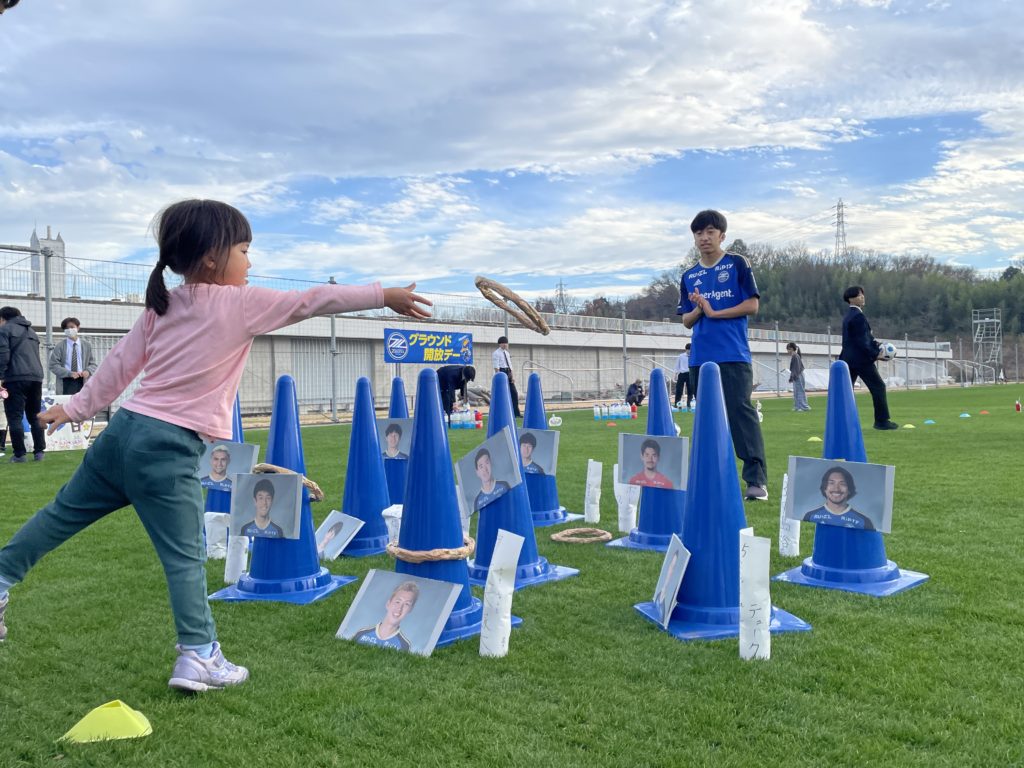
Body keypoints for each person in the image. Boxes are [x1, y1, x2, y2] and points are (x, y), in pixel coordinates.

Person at [0, 199, 430, 690]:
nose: (250, 261)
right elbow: (312, 300)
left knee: (58, 517)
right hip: (168, 446)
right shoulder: (239, 304)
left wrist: (76, 408)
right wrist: (383, 294)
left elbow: (120, 363)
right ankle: (200, 655)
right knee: (185, 556)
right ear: (211, 257)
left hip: (121, 436)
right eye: (243, 250)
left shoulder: (163, 305)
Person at [677, 209, 768, 501]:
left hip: (733, 354)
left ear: (722, 235)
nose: (704, 238)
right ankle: (711, 476)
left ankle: (756, 480)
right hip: (699, 358)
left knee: (741, 413)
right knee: (707, 418)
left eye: (710, 232)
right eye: (699, 233)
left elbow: (752, 306)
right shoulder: (689, 275)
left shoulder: (737, 263)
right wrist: (699, 308)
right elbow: (686, 320)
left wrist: (715, 312)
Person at [839, 286, 898, 430]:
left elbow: (857, 340)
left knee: (846, 391)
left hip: (847, 359)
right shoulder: (858, 316)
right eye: (859, 295)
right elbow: (863, 340)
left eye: (862, 294)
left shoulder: (848, 316)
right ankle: (882, 421)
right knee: (878, 387)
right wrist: (876, 354)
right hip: (861, 360)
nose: (862, 297)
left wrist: (875, 346)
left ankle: (842, 422)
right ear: (850, 299)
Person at [0, 306, 46, 463]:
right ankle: (39, 452)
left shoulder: (4, 330)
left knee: (15, 416)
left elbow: (3, 355)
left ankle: (19, 454)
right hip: (36, 377)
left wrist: (0, 376)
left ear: (2, 318)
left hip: (15, 377)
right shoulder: (32, 332)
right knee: (35, 415)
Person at [802, 466, 875, 530]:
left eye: (842, 484)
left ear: (849, 489)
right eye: (831, 483)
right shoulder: (810, 516)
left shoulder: (864, 522)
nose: (836, 488)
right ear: (825, 488)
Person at [352, 581, 418, 651]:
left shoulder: (404, 645)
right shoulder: (362, 633)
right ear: (388, 604)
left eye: (406, 604)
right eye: (397, 602)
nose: (399, 608)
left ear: (410, 609)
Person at [47, 317, 97, 396]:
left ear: (78, 327)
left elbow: (93, 364)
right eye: (66, 328)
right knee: (66, 402)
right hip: (66, 381)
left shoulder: (87, 345)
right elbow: (53, 365)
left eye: (72, 327)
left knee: (83, 402)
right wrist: (69, 373)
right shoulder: (60, 346)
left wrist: (88, 371)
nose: (69, 330)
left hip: (83, 381)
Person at [473, 448, 511, 512]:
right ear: (477, 472)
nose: (485, 469)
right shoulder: (477, 501)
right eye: (481, 466)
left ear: (491, 463)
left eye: (487, 463)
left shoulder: (504, 486)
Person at [492, 336, 521, 418]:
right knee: (502, 393)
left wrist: (512, 376)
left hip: (508, 372)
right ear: (500, 344)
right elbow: (496, 367)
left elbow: (510, 365)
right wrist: (499, 377)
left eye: (506, 343)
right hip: (501, 371)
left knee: (514, 393)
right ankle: (502, 413)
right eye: (503, 343)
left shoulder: (507, 353)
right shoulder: (496, 353)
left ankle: (516, 413)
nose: (505, 345)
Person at [787, 342, 811, 412]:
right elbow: (794, 368)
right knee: (796, 391)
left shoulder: (795, 356)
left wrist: (792, 377)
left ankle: (803, 407)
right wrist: (792, 377)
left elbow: (796, 368)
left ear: (791, 349)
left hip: (798, 375)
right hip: (797, 375)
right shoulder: (795, 356)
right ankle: (797, 406)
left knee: (800, 391)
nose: (787, 351)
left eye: (788, 349)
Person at [673, 343, 692, 410]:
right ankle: (677, 404)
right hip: (682, 374)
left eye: (691, 350)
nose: (689, 351)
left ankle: (689, 404)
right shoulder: (681, 356)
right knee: (679, 389)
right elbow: (677, 365)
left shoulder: (693, 356)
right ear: (686, 349)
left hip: (690, 374)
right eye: (688, 350)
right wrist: (675, 374)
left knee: (690, 390)